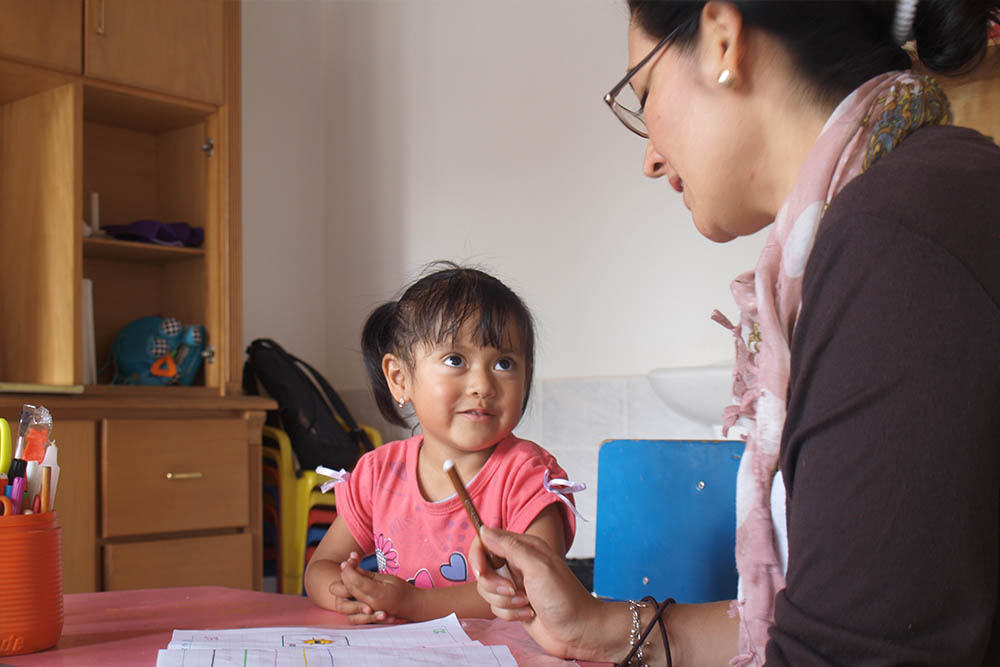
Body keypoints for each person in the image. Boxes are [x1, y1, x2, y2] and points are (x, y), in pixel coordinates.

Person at [471, 1, 1000, 665]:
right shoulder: (894, 209)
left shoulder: (899, 243)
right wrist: (597, 626)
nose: (650, 159)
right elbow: (826, 627)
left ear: (723, 40)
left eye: (643, 92)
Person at [305, 263, 578, 624]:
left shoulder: (528, 476)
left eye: (504, 363)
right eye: (455, 360)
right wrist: (346, 594)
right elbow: (321, 567)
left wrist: (415, 604)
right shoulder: (378, 473)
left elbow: (535, 585)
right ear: (400, 378)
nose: (483, 384)